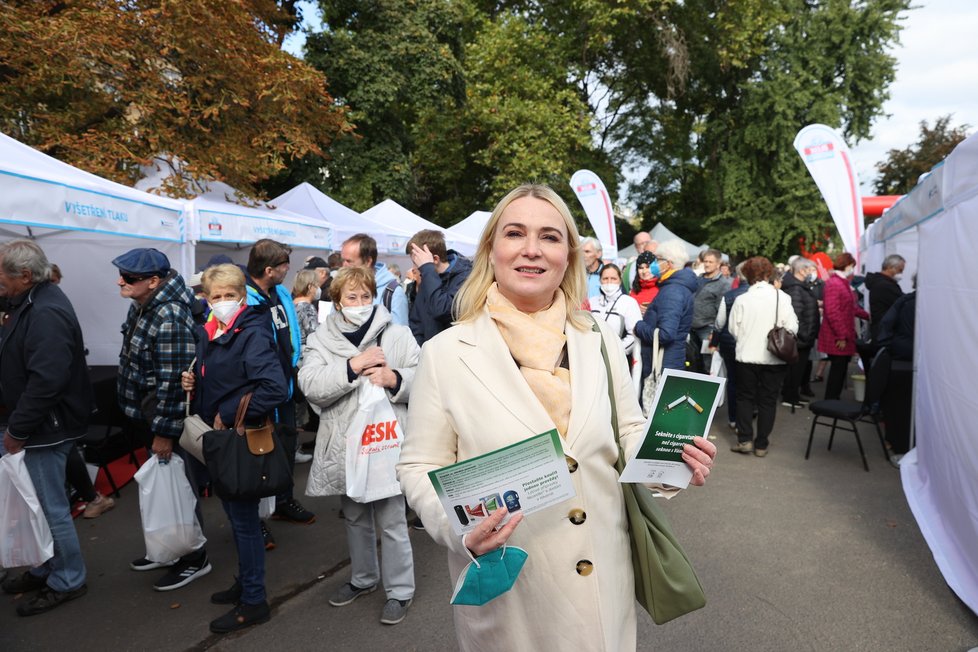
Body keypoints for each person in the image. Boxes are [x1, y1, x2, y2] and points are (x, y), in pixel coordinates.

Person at [396, 184, 716, 651]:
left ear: (569, 255)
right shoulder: (445, 353)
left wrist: (671, 456)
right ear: (491, 250)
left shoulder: (598, 337)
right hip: (513, 595)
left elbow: (626, 427)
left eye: (549, 236)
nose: (531, 249)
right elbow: (418, 463)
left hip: (603, 580)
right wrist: (458, 529)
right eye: (515, 233)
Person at [299, 267, 419, 626]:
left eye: (366, 296)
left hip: (385, 442)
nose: (360, 303)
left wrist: (394, 378)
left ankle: (400, 591)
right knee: (353, 515)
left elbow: (425, 376)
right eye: (352, 297)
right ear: (337, 302)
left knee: (392, 518)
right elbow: (310, 384)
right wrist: (353, 366)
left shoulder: (397, 334)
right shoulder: (321, 339)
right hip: (346, 444)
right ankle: (364, 578)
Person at [180, 263, 288, 634]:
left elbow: (275, 389)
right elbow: (223, 377)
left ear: (242, 296)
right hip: (223, 440)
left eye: (230, 295)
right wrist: (195, 379)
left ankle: (254, 600)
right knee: (238, 518)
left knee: (244, 523)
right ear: (206, 300)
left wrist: (227, 412)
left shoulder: (252, 331)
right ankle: (246, 583)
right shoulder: (210, 330)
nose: (223, 301)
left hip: (240, 440)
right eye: (216, 296)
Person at [0, 240, 92, 616]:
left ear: (24, 276)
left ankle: (68, 577)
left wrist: (17, 430)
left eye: (1, 275)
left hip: (43, 427)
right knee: (38, 505)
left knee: (51, 507)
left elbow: (46, 381)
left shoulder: (46, 310)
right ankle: (47, 565)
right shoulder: (33, 300)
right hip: (38, 424)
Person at [113, 247, 211, 591]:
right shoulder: (143, 304)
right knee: (165, 484)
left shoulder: (169, 314)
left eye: (128, 278)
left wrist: (165, 433)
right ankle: (169, 548)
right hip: (148, 413)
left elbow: (173, 381)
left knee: (179, 487)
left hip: (162, 417)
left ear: (153, 281)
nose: (120, 281)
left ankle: (194, 557)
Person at [245, 239, 315, 530]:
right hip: (259, 393)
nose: (289, 269)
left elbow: (292, 332)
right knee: (257, 457)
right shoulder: (246, 299)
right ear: (270, 269)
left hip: (285, 387)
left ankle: (284, 502)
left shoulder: (281, 293)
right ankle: (256, 518)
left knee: (286, 447)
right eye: (285, 264)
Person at [727, 257, 799, 456]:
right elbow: (792, 327)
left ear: (748, 275)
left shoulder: (742, 299)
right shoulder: (781, 297)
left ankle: (744, 440)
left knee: (744, 399)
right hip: (774, 357)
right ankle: (761, 444)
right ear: (769, 274)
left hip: (746, 356)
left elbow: (733, 329)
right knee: (768, 401)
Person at [634, 239, 699, 391]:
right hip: (669, 361)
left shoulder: (672, 291)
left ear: (668, 264)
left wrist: (639, 326)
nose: (654, 264)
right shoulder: (675, 288)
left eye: (658, 260)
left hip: (664, 363)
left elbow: (665, 334)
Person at [406, 229, 474, 345]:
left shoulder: (467, 277)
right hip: (428, 356)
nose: (414, 267)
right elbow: (416, 322)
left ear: (435, 259)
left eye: (416, 261)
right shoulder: (427, 278)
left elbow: (443, 310)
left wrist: (427, 268)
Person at [817, 253, 869, 401]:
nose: (852, 269)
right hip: (838, 334)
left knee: (840, 369)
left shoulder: (841, 282)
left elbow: (851, 308)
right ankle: (831, 400)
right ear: (847, 266)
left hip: (842, 333)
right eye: (852, 266)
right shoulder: (835, 283)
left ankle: (833, 398)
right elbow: (833, 312)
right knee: (838, 370)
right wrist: (841, 336)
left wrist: (868, 315)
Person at [341, 233, 409, 326]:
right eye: (343, 260)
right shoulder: (342, 286)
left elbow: (400, 336)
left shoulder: (393, 293)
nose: (344, 266)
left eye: (349, 261)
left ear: (368, 261)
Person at [779, 257, 820, 408]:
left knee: (798, 370)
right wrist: (804, 334)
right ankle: (789, 397)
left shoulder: (800, 286)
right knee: (794, 370)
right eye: (810, 269)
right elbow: (796, 314)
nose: (812, 273)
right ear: (802, 270)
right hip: (799, 338)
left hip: (804, 338)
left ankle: (793, 395)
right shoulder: (796, 288)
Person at [713, 262, 749, 429]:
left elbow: (719, 323)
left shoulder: (729, 295)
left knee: (733, 380)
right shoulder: (760, 296)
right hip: (751, 344)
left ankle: (734, 417)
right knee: (749, 382)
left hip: (729, 342)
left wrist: (715, 341)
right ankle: (748, 414)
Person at [588, 263, 641, 361]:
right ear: (600, 280)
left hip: (617, 358)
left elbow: (634, 336)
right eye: (605, 278)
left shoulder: (629, 302)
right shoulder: (592, 301)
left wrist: (616, 351)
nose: (609, 282)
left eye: (613, 278)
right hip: (592, 356)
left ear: (620, 280)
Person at [690, 248, 731, 373]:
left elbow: (722, 311)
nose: (707, 264)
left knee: (708, 365)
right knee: (692, 362)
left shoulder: (723, 284)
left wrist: (715, 332)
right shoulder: (698, 279)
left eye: (710, 262)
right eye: (705, 261)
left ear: (718, 264)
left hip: (708, 329)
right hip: (691, 328)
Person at [628, 251, 659, 316]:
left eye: (648, 267)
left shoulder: (663, 288)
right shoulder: (633, 291)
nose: (644, 271)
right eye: (641, 268)